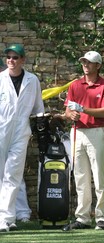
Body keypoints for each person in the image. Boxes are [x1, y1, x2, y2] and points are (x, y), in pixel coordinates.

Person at [62, 51, 104, 231]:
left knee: (100, 177)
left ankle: (102, 218)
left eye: (89, 62)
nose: (85, 64)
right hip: (77, 131)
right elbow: (68, 111)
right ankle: (82, 218)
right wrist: (72, 114)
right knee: (80, 177)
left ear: (98, 65)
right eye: (84, 61)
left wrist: (83, 109)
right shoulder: (75, 85)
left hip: (97, 132)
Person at [0, 44, 44, 232]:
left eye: (15, 57)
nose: (11, 60)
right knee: (2, 174)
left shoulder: (32, 80)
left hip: (21, 131)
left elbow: (38, 108)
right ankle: (8, 217)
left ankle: (6, 218)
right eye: (8, 57)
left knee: (13, 174)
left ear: (23, 60)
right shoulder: (0, 79)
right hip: (1, 130)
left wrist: (41, 129)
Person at [0, 59, 31, 223]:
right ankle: (10, 214)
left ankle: (16, 213)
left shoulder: (28, 81)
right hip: (3, 131)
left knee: (12, 174)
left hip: (16, 131)